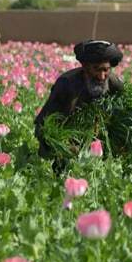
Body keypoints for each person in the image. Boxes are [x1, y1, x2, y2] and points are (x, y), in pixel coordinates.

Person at [34, 40, 124, 171]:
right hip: (68, 139)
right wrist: (63, 145)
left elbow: (127, 112)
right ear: (85, 67)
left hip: (98, 141)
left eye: (106, 70)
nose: (102, 76)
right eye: (97, 69)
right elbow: (44, 124)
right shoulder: (66, 84)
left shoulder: (114, 83)